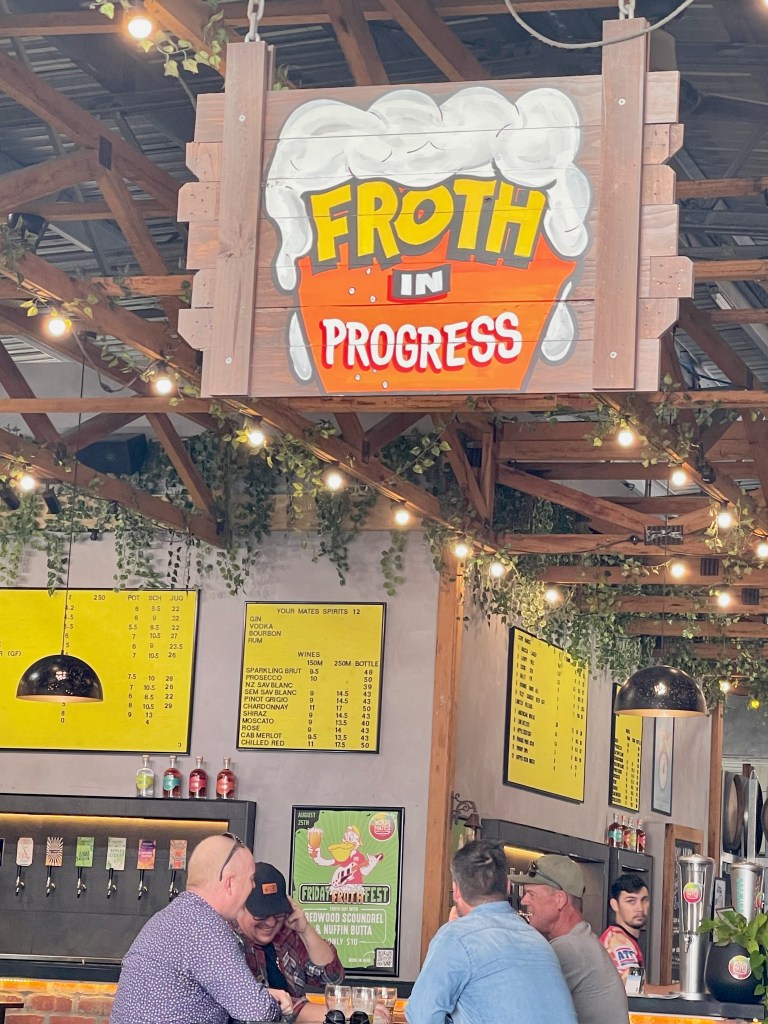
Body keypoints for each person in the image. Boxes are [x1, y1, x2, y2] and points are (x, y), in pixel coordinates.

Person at [111, 834, 292, 1024]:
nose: (253, 886)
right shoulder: (206, 928)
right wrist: (274, 1003)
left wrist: (259, 995)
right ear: (230, 883)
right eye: (251, 879)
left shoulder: (169, 917)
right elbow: (256, 1009)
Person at [406, 839, 578, 1024]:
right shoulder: (538, 941)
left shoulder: (456, 937)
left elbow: (421, 1016)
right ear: (508, 886)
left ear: (456, 891)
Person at [510, 855, 629, 1024]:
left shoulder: (569, 949)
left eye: (531, 894)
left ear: (560, 900)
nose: (524, 901)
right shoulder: (581, 940)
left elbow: (518, 1007)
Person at [236, 861, 345, 1022]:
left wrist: (305, 930)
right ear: (239, 907)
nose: (271, 922)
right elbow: (262, 1006)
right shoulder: (228, 942)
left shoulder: (286, 934)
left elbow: (332, 977)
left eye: (278, 913)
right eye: (261, 915)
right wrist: (342, 1013)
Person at [600, 874, 649, 983]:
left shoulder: (623, 937)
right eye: (631, 901)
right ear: (614, 905)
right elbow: (633, 987)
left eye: (644, 900)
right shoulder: (618, 942)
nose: (640, 908)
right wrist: (678, 988)